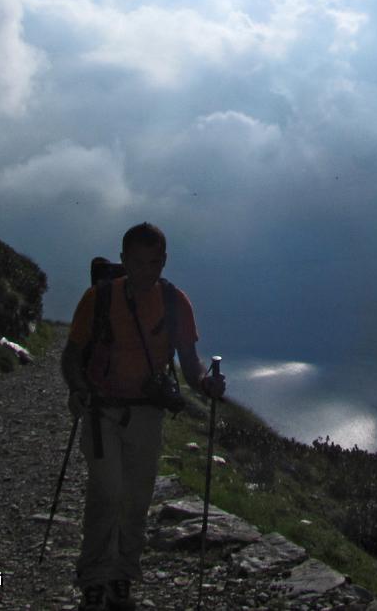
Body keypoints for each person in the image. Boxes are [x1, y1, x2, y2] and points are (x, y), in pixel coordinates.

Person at [61, 223, 226, 611]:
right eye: (138, 262)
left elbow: (189, 363)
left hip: (146, 413)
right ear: (123, 260)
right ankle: (94, 578)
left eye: (154, 262)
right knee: (107, 490)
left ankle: (121, 578)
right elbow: (71, 355)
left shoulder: (174, 302)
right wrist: (79, 388)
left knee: (136, 499)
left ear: (164, 261)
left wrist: (204, 384)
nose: (146, 270)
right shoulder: (98, 299)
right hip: (102, 408)